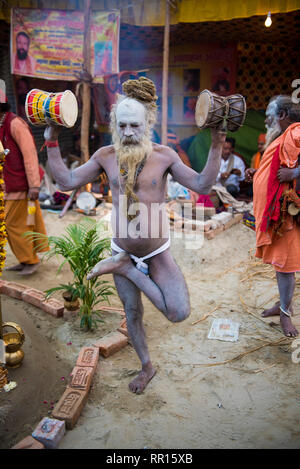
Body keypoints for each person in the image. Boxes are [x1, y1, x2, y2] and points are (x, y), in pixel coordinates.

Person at [44, 77, 226, 394]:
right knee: (133, 314)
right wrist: (51, 140)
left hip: (156, 253)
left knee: (178, 312)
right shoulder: (105, 155)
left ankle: (124, 266)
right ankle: (146, 366)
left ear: (148, 123)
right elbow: (66, 180)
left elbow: (202, 186)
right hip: (122, 245)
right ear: (116, 124)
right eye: (123, 126)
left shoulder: (165, 156)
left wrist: (217, 144)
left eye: (135, 126)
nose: (128, 133)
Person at [245, 95, 300, 337]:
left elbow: (289, 171)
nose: (265, 118)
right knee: (280, 263)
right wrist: (258, 173)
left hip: (289, 214)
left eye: (269, 112)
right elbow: (276, 170)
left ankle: (286, 314)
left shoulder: (296, 131)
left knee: (286, 265)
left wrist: (296, 171)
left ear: (282, 115)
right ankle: (282, 304)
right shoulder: (280, 138)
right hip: (278, 214)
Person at [0, 94, 48, 275]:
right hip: (10, 187)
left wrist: (34, 185)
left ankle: (30, 260)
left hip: (22, 188)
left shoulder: (15, 124)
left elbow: (30, 155)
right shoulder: (2, 124)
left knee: (14, 225)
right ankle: (26, 259)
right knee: (26, 223)